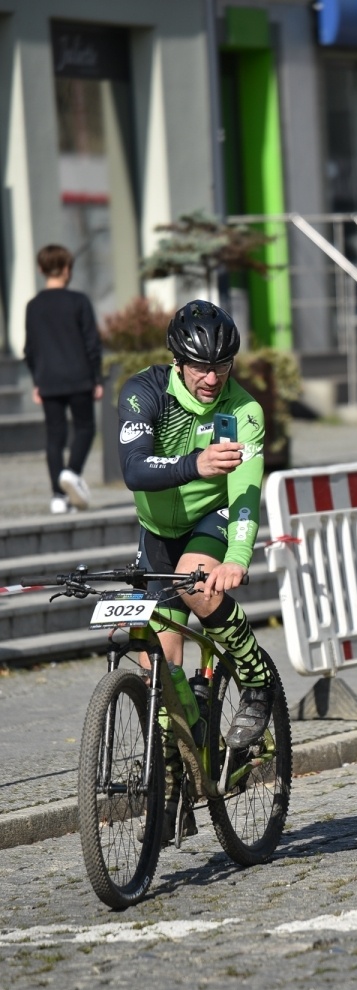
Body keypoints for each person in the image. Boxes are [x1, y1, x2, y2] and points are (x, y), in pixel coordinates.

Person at [118, 298, 274, 842]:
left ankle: (255, 680)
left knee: (201, 587)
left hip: (212, 518)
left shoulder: (243, 411)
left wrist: (236, 557)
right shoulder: (146, 393)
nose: (211, 378)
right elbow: (134, 468)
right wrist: (194, 463)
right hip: (156, 530)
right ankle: (173, 780)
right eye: (201, 366)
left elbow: (247, 492)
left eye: (222, 366)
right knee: (156, 665)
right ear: (178, 361)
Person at [24, 244, 104, 514]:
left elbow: (30, 349)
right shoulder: (79, 301)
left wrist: (37, 380)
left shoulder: (33, 306)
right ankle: (72, 473)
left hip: (48, 380)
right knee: (85, 428)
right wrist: (97, 378)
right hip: (79, 377)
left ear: (41, 269)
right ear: (67, 269)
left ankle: (58, 497)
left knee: (54, 437)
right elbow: (92, 343)